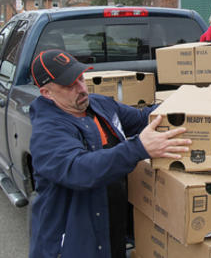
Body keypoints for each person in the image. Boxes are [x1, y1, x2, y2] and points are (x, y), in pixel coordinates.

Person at [28, 49, 191, 258]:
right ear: (46, 93)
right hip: (74, 246)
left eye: (80, 78)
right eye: (69, 85)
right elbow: (80, 169)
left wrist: (185, 103)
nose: (81, 88)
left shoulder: (99, 105)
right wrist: (138, 148)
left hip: (110, 234)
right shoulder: (47, 132)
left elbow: (142, 118)